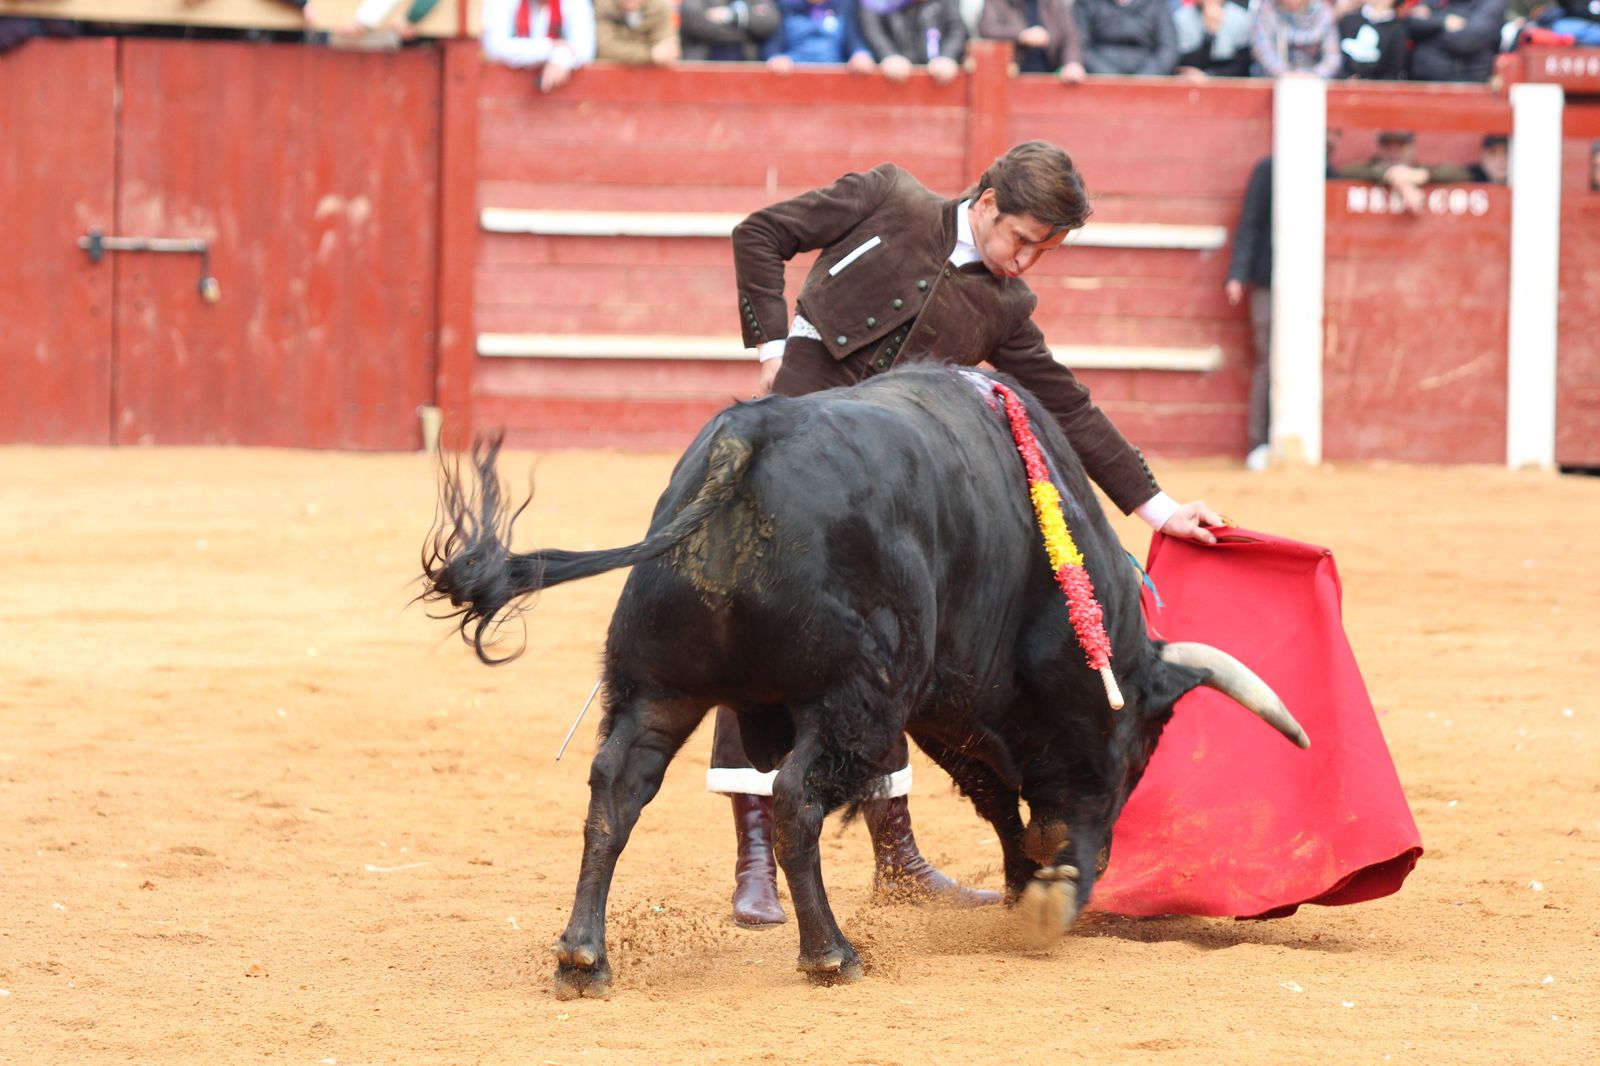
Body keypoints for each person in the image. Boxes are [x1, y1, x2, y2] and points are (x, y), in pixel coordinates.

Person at [719, 141, 1226, 926]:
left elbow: (1069, 406)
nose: (1023, 262)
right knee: (761, 627)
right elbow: (759, 233)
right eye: (1020, 239)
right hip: (793, 457)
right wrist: (772, 348)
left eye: (1041, 252)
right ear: (986, 201)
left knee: (891, 648)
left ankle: (897, 858)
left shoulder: (1003, 306)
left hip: (885, 497)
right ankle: (756, 861)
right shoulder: (889, 199)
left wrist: (1157, 509)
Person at [1225, 133, 1343, 473]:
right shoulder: (1269, 169)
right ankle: (1259, 443)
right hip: (1267, 279)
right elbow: (1249, 222)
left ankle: (1294, 440)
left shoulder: (1327, 172)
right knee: (1269, 355)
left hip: (1311, 284)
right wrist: (1238, 273)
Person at [481, 0, 598, 93]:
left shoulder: (575, 2)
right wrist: (551, 49)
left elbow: (585, 49)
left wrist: (561, 57)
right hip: (503, 91)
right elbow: (494, 46)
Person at [858, 0, 968, 84]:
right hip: (891, 80)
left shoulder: (945, 3)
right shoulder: (881, 4)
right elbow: (872, 29)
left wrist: (948, 56)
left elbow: (956, 28)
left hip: (937, 79)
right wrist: (889, 55)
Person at [977, 0, 1087, 83]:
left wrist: (1072, 62)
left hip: (1050, 75)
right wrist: (1021, 35)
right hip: (1010, 76)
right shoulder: (998, 2)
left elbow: (1071, 38)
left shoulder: (1054, 3)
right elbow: (986, 29)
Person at [1403, 0, 1507, 83]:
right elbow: (1411, 25)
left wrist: (1428, 26)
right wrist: (1443, 21)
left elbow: (1467, 41)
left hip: (1464, 85)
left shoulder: (1492, 3)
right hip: (1420, 82)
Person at [762, 0, 878, 72]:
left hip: (835, 72)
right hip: (793, 72)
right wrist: (775, 58)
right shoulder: (784, 5)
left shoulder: (845, 4)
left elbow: (854, 38)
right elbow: (772, 43)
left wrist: (860, 54)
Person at [1072, 0, 1178, 76]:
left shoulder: (1157, 4)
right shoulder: (1085, 3)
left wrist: (1145, 77)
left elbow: (1168, 47)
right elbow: (1080, 45)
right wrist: (1109, 77)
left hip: (1149, 79)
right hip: (1098, 78)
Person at [1251, 0, 1343, 79]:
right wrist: (1284, 74)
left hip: (1315, 82)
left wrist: (1315, 75)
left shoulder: (1323, 12)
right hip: (1274, 80)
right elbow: (1263, 49)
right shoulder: (1266, 10)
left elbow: (1333, 57)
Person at [1171, 0, 1254, 80]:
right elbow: (1188, 66)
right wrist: (1209, 34)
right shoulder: (1181, 19)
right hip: (1194, 84)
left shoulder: (1240, 17)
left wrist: (1211, 76)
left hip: (1229, 83)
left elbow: (1242, 65)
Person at [679, 0, 782, 60]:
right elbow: (696, 26)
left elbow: (768, 23)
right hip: (702, 65)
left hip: (746, 66)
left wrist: (731, 16)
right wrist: (747, 31)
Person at [1336, 0, 1408, 79]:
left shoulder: (1397, 30)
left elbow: (1393, 70)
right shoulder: (1348, 21)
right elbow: (1335, 58)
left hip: (1376, 88)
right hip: (1341, 84)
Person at [594, 0, 680, 64]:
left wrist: (623, 52)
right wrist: (650, 55)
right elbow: (605, 49)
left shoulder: (659, 7)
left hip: (651, 81)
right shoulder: (603, 7)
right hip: (610, 80)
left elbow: (668, 51)